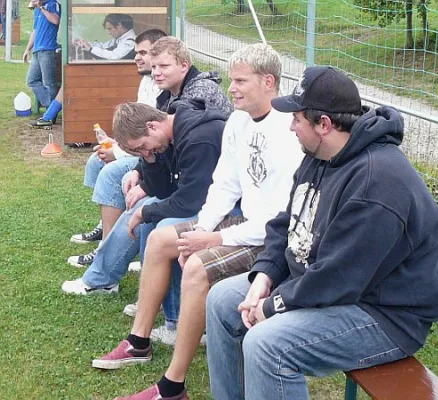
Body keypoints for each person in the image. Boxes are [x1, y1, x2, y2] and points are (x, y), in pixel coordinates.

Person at [205, 65, 438, 400]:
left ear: (324, 124)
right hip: (326, 283)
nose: (290, 126)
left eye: (297, 119)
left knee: (269, 344)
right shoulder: (320, 154)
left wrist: (273, 305)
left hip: (384, 314)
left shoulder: (378, 183)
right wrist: (265, 274)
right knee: (221, 299)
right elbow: (285, 221)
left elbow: (338, 277)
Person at [91, 43, 304, 400]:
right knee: (161, 239)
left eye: (240, 80)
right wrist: (203, 229)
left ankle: (172, 385)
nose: (230, 88)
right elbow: (223, 185)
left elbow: (279, 218)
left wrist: (214, 241)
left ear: (269, 82)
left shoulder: (290, 131)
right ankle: (138, 341)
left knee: (197, 266)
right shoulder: (238, 121)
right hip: (241, 220)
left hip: (268, 237)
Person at [68, 36, 233, 268]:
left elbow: (169, 145)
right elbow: (154, 137)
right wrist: (141, 167)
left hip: (205, 177)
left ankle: (111, 262)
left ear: (184, 65)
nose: (156, 72)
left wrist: (144, 183)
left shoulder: (200, 94)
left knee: (122, 182)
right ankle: (109, 243)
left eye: (163, 66)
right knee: (109, 170)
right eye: (153, 66)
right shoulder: (166, 93)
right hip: (177, 164)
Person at [65, 28, 167, 264]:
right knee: (97, 160)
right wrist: (115, 143)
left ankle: (106, 251)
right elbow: (138, 127)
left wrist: (118, 152)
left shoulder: (164, 85)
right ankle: (105, 226)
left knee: (111, 172)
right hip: (143, 150)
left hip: (154, 155)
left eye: (143, 52)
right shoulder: (146, 81)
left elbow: (154, 138)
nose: (137, 57)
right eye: (136, 53)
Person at [23, 0, 60, 109]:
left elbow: (56, 20)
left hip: (48, 49)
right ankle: (51, 108)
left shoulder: (53, 4)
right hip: (37, 50)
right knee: (31, 80)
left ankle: (50, 114)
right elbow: (35, 31)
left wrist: (41, 8)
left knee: (49, 83)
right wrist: (27, 49)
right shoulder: (37, 10)